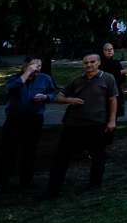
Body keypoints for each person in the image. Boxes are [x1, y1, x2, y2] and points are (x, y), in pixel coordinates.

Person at [42, 52, 118, 198]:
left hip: (96, 123)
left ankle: (95, 183)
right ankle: (53, 189)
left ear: (99, 63)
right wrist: (69, 100)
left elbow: (112, 100)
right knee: (62, 156)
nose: (89, 65)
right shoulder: (77, 81)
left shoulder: (108, 78)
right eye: (86, 62)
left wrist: (111, 120)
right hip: (74, 124)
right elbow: (58, 97)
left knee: (97, 155)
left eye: (92, 62)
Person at [0, 56, 58, 193]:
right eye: (33, 66)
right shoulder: (13, 78)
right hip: (14, 120)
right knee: (8, 151)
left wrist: (45, 97)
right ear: (24, 67)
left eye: (39, 66)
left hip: (34, 119)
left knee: (29, 150)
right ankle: (1, 183)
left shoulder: (45, 78)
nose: (37, 69)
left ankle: (27, 180)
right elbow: (11, 88)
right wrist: (26, 74)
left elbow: (53, 92)